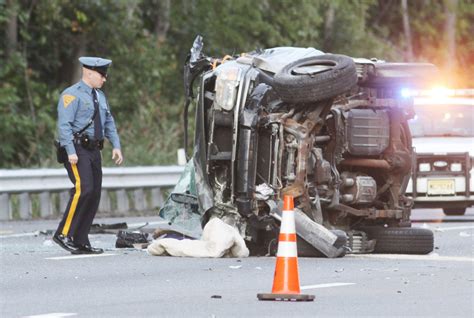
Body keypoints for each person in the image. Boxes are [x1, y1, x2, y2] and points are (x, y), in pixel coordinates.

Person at [53, 56, 123, 254]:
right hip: (77, 150)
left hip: (94, 150)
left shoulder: (100, 96)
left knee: (93, 194)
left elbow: (109, 122)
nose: (104, 79)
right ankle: (63, 234)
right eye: (102, 75)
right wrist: (71, 152)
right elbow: (64, 126)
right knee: (83, 190)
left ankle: (80, 239)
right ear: (90, 73)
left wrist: (115, 145)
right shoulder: (71, 95)